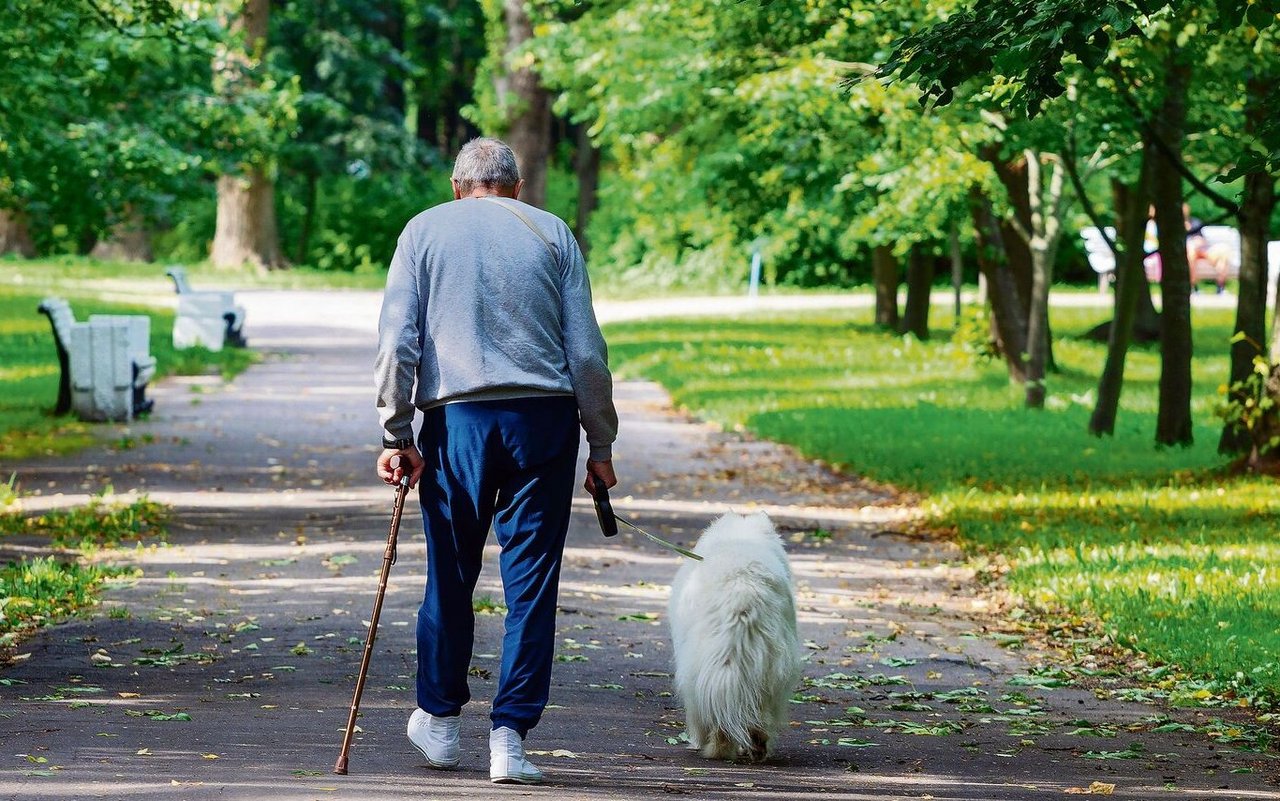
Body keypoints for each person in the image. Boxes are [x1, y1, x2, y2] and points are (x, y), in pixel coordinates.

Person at [373, 137, 618, 785]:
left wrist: (397, 434)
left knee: (451, 573)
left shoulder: (423, 231)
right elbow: (587, 354)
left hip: (459, 423)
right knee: (531, 584)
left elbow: (397, 342)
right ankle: (509, 738)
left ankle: (441, 720)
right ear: (515, 186)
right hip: (545, 422)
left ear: (458, 186)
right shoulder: (552, 233)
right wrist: (601, 445)